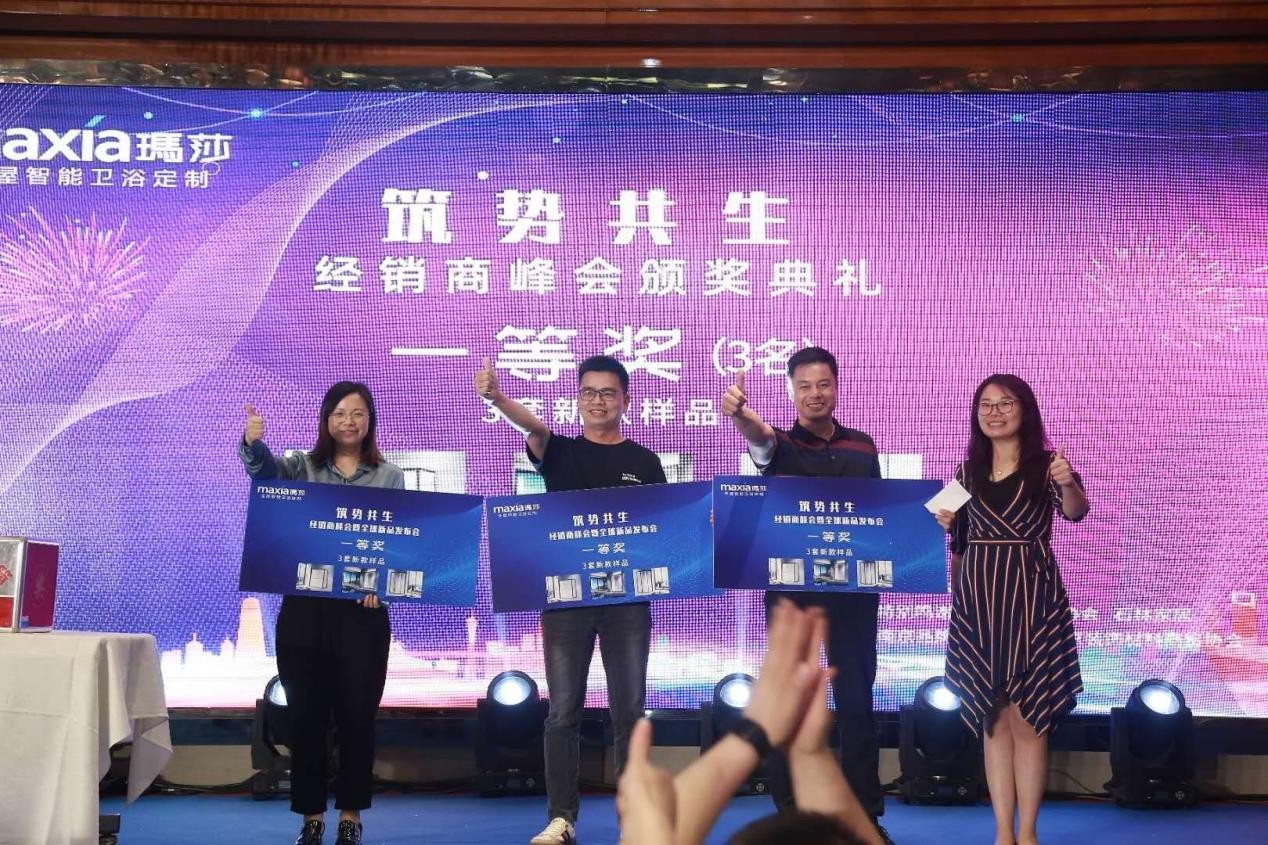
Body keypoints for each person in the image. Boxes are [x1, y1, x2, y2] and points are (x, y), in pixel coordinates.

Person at [476, 354, 666, 845]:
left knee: (630, 711)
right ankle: (561, 818)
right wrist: (497, 398)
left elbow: (664, 526)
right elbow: (534, 427)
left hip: (627, 603)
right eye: (588, 392)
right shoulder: (559, 452)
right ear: (577, 399)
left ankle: (634, 818)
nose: (597, 401)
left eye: (607, 392)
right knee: (562, 711)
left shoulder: (645, 462)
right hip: (566, 600)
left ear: (625, 400)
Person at [721, 346, 891, 843]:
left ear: (836, 387)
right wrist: (742, 416)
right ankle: (790, 816)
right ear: (792, 391)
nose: (815, 394)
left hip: (854, 596)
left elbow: (880, 514)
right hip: (792, 595)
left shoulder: (863, 446)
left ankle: (865, 818)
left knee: (857, 704)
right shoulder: (779, 444)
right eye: (804, 386)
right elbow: (760, 438)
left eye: (823, 384)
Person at [239, 382, 405, 845]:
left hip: (362, 615)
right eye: (339, 413)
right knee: (306, 718)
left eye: (358, 413)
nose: (348, 422)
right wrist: (253, 444)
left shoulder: (389, 476)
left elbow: (399, 543)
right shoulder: (302, 467)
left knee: (357, 718)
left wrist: (383, 589)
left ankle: (351, 817)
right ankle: (310, 818)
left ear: (370, 421)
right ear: (326, 420)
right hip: (305, 612)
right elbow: (265, 476)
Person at [931, 374, 1088, 845]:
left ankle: (1029, 832)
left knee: (1030, 719)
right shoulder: (965, 473)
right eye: (986, 404)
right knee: (992, 719)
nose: (994, 412)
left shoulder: (1048, 466)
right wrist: (941, 525)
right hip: (979, 605)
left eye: (1005, 403)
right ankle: (1002, 832)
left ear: (1025, 410)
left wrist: (1069, 483)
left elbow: (1076, 511)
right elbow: (948, 537)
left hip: (1032, 601)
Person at [614, 600, 883, 845]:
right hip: (800, 584)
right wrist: (808, 754)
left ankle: (812, 823)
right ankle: (802, 821)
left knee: (856, 711)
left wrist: (757, 732)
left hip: (849, 596)